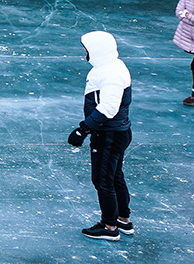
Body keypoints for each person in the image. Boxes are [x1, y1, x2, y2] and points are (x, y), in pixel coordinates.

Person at [68, 31, 135, 241]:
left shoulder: (111, 73)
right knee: (115, 176)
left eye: (87, 49)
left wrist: (83, 129)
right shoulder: (112, 66)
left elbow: (108, 108)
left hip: (109, 135)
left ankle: (110, 226)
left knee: (103, 179)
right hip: (116, 132)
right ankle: (123, 220)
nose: (85, 53)